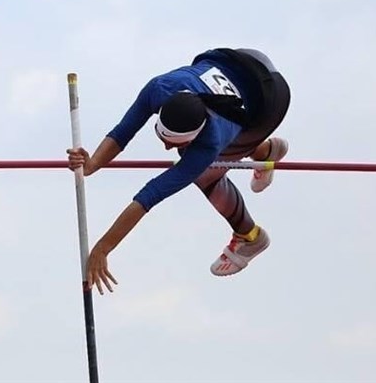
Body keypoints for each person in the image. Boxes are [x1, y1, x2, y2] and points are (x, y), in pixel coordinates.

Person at [66, 48, 291, 294]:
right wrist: (92, 164)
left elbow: (148, 196)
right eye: (162, 138)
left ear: (195, 136)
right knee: (229, 139)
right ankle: (266, 151)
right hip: (242, 62)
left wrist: (103, 248)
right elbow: (123, 132)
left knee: (206, 174)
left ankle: (250, 236)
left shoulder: (208, 144)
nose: (165, 148)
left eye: (174, 144)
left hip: (271, 97)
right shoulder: (159, 88)